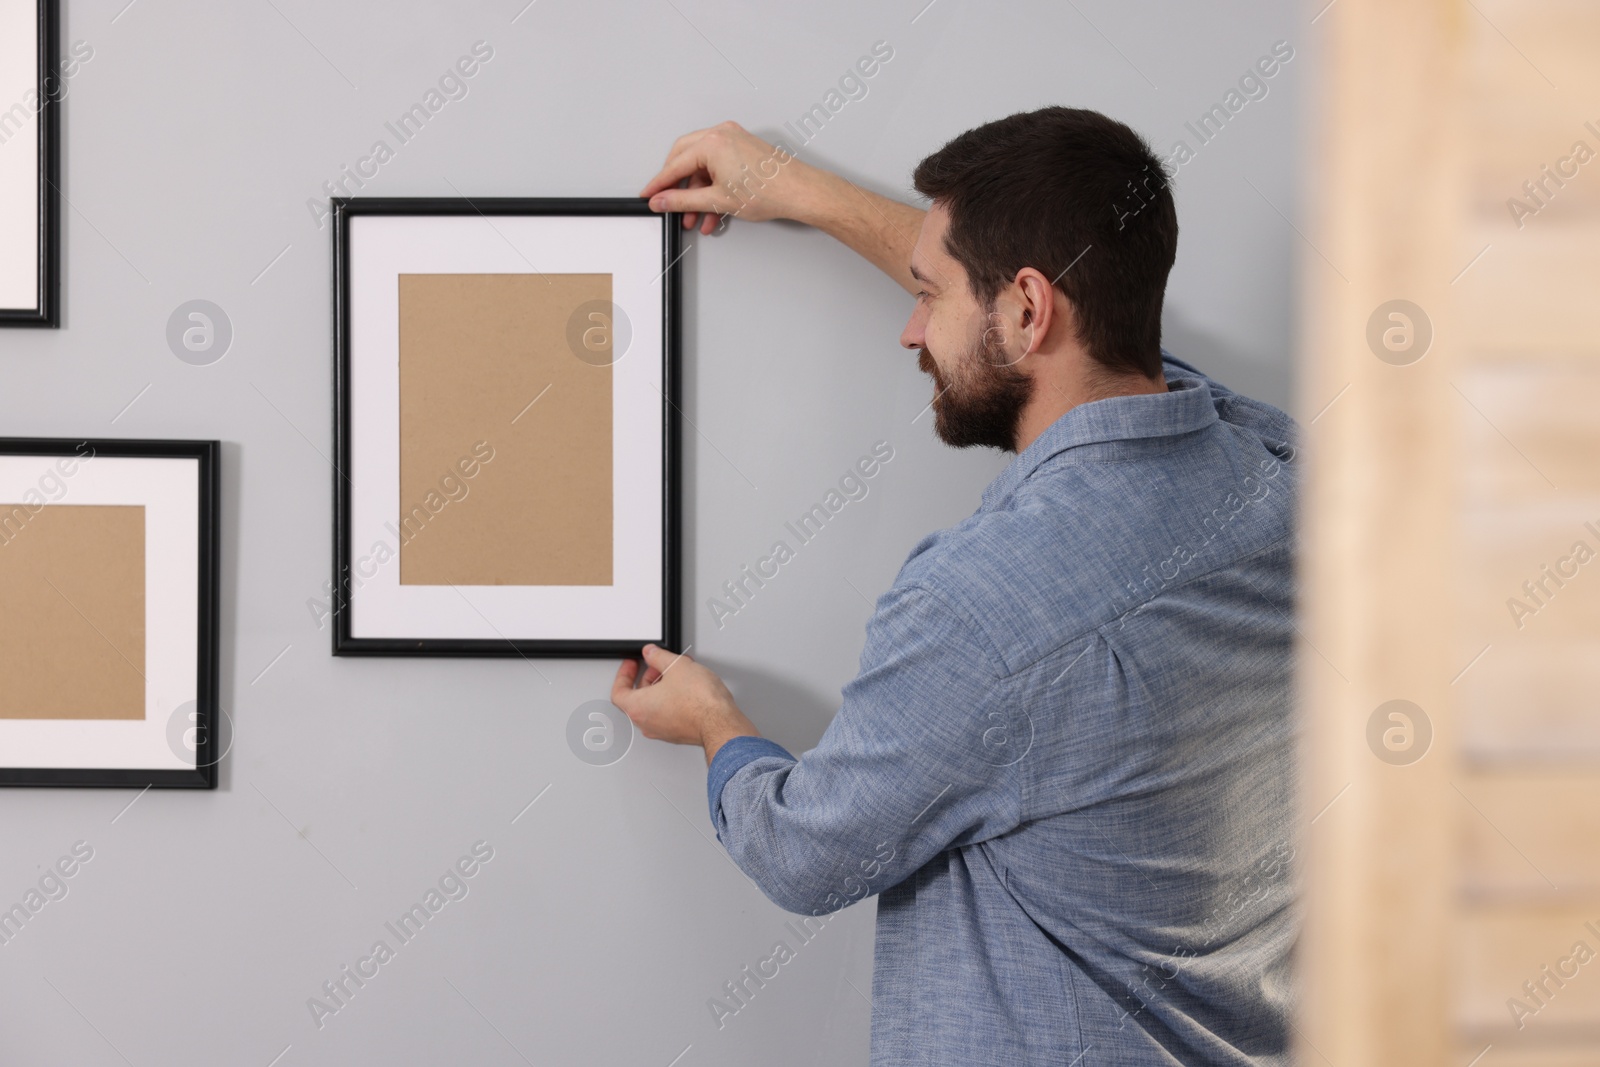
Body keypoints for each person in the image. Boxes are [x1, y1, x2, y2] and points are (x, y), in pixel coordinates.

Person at [612, 107, 1300, 1066]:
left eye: (928, 295)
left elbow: (806, 852)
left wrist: (715, 725)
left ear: (1026, 309)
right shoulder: (1281, 476)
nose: (908, 329)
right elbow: (1087, 337)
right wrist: (797, 188)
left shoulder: (981, 608)